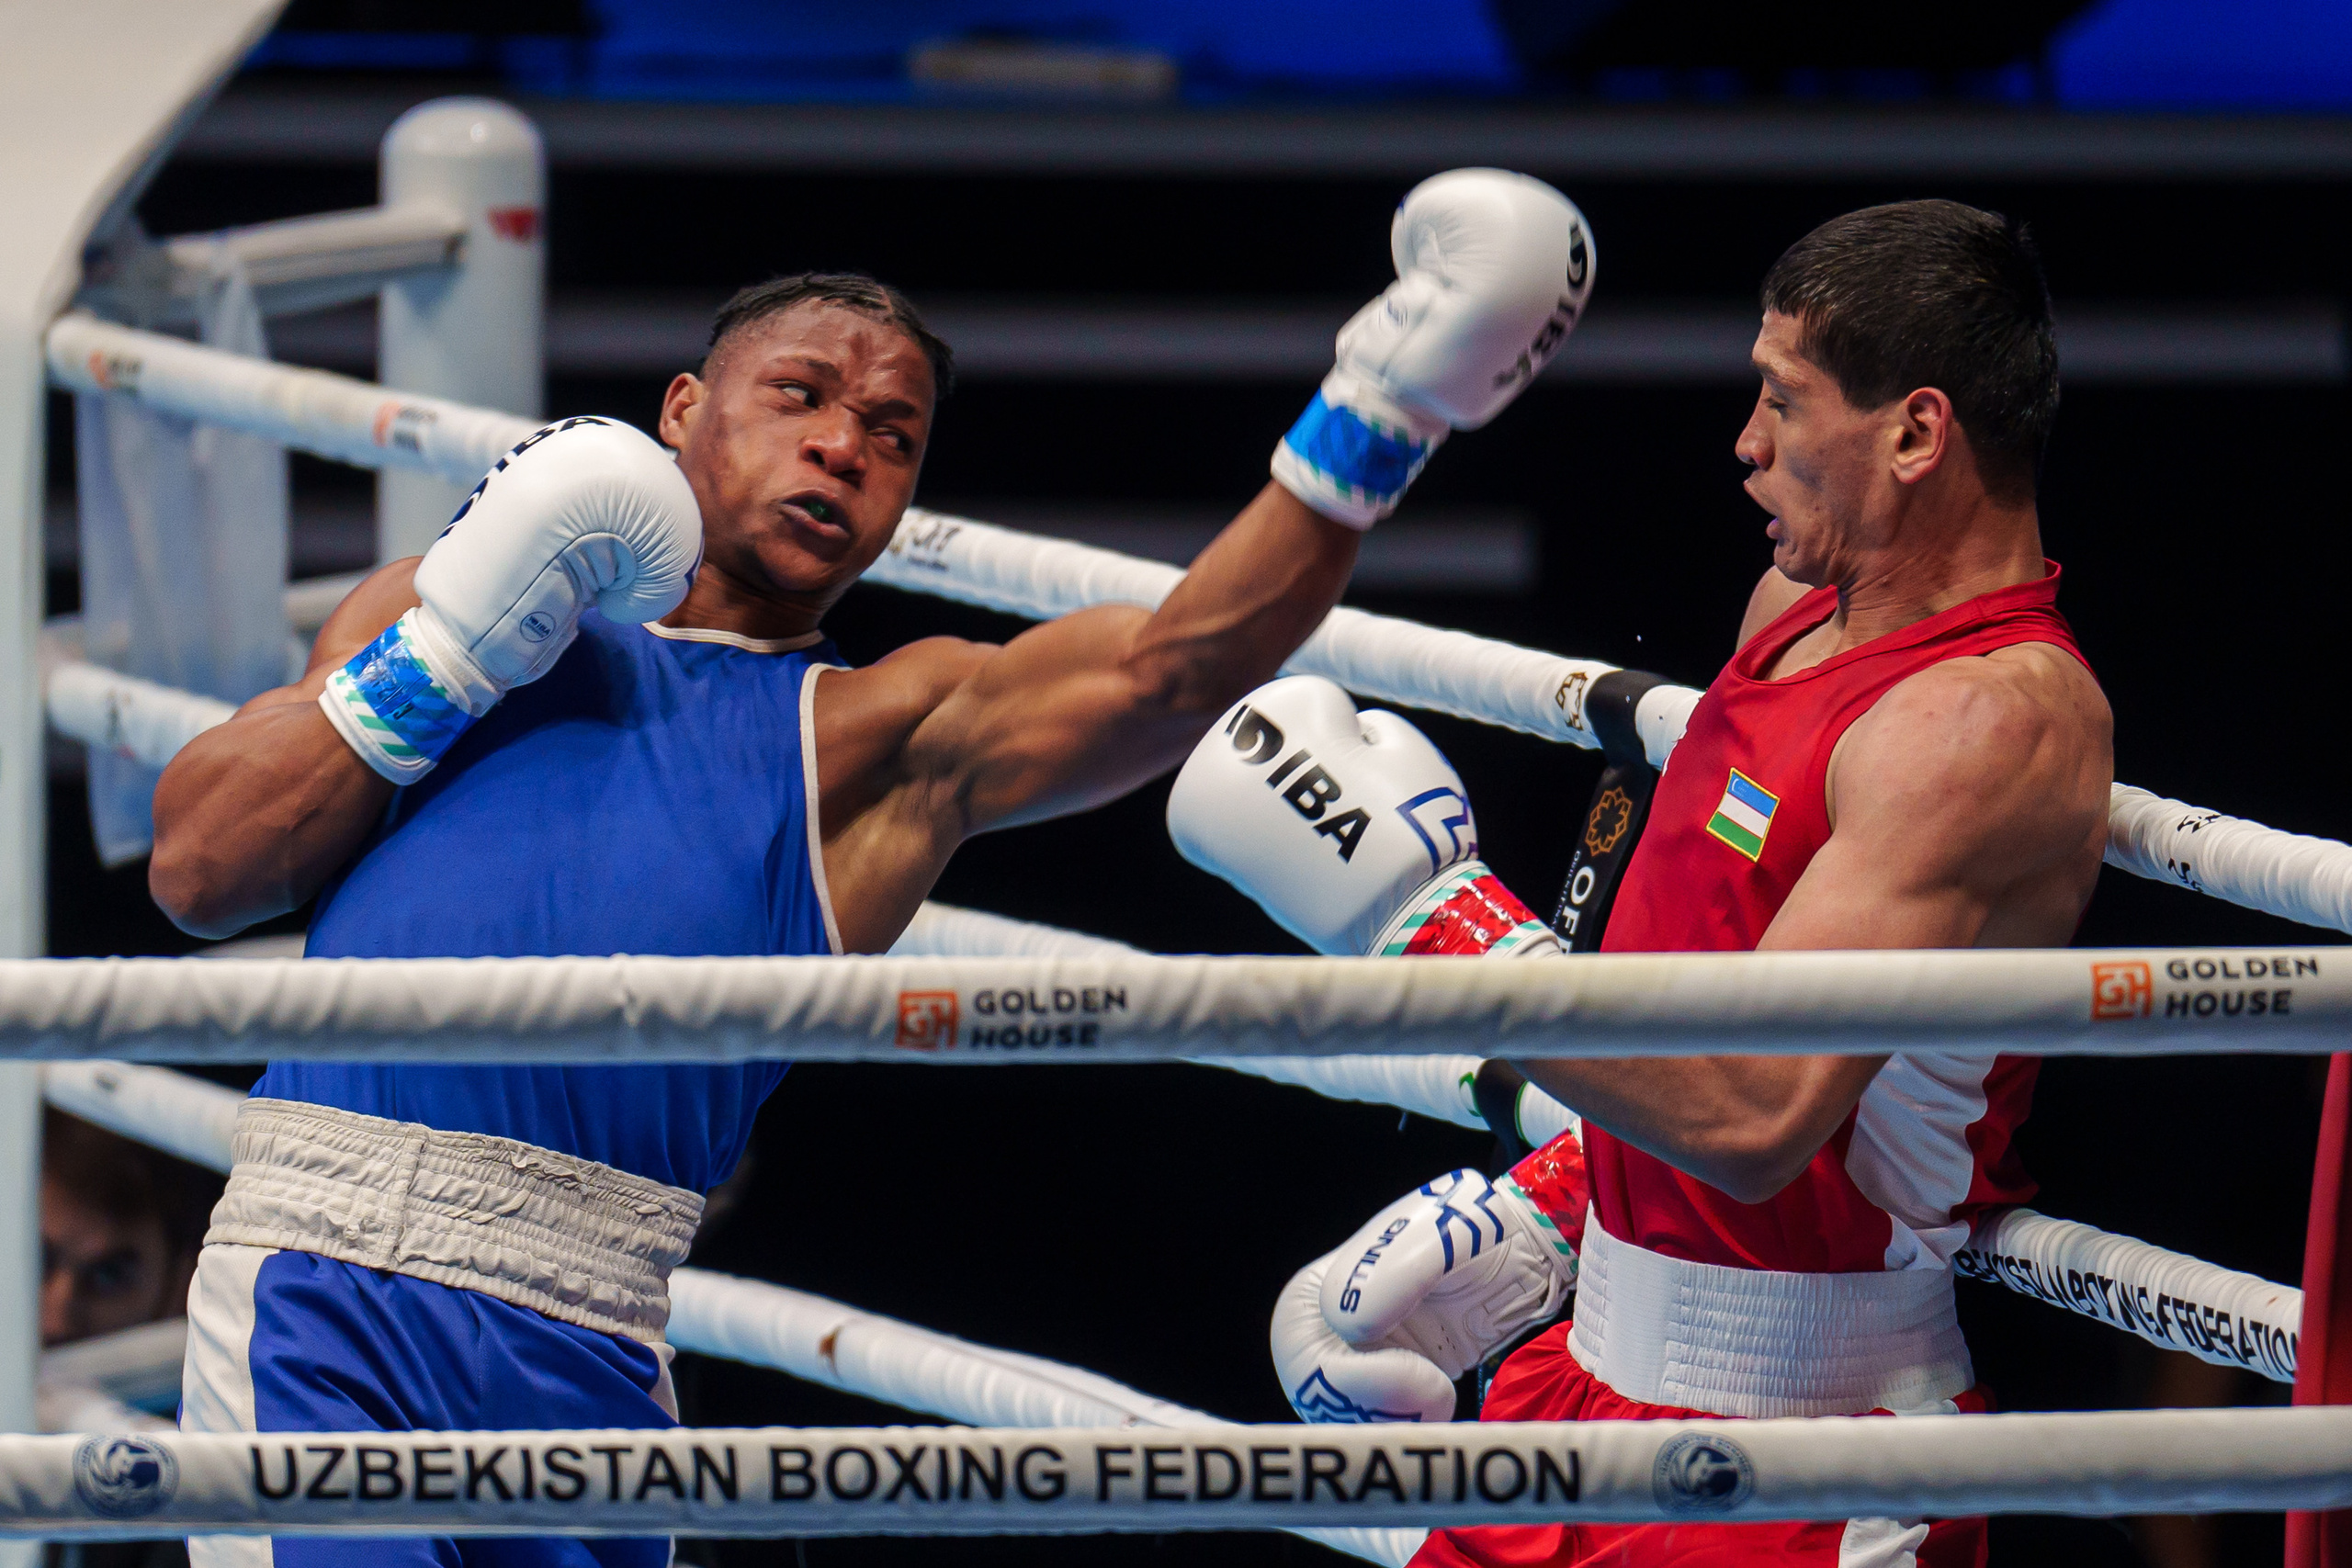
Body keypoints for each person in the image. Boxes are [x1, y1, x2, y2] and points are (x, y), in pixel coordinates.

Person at [145, 168, 1597, 1568]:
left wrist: (1381, 411)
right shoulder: (449, 604)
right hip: (325, 1284)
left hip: (595, 1336)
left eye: (892, 435)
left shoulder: (879, 738)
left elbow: (1171, 668)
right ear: (682, 409)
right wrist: (449, 654)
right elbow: (201, 871)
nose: (844, 444)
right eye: (802, 396)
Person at [1175, 198, 2112, 1568]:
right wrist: (1556, 1208)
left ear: (1916, 434)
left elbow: (1753, 1111)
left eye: (1783, 400)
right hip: (1580, 1383)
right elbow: (1692, 987)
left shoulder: (1986, 722)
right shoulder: (1792, 615)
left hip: (1808, 1462)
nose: (1747, 442)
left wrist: (1434, 934)